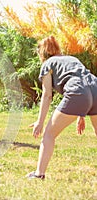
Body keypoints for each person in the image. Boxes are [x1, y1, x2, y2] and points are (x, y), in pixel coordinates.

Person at [27, 36, 97, 179]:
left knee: (49, 134)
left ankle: (39, 174)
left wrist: (40, 122)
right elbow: (84, 82)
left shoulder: (47, 64)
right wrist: (82, 113)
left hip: (78, 93)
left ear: (43, 52)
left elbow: (47, 95)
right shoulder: (72, 59)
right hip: (95, 87)